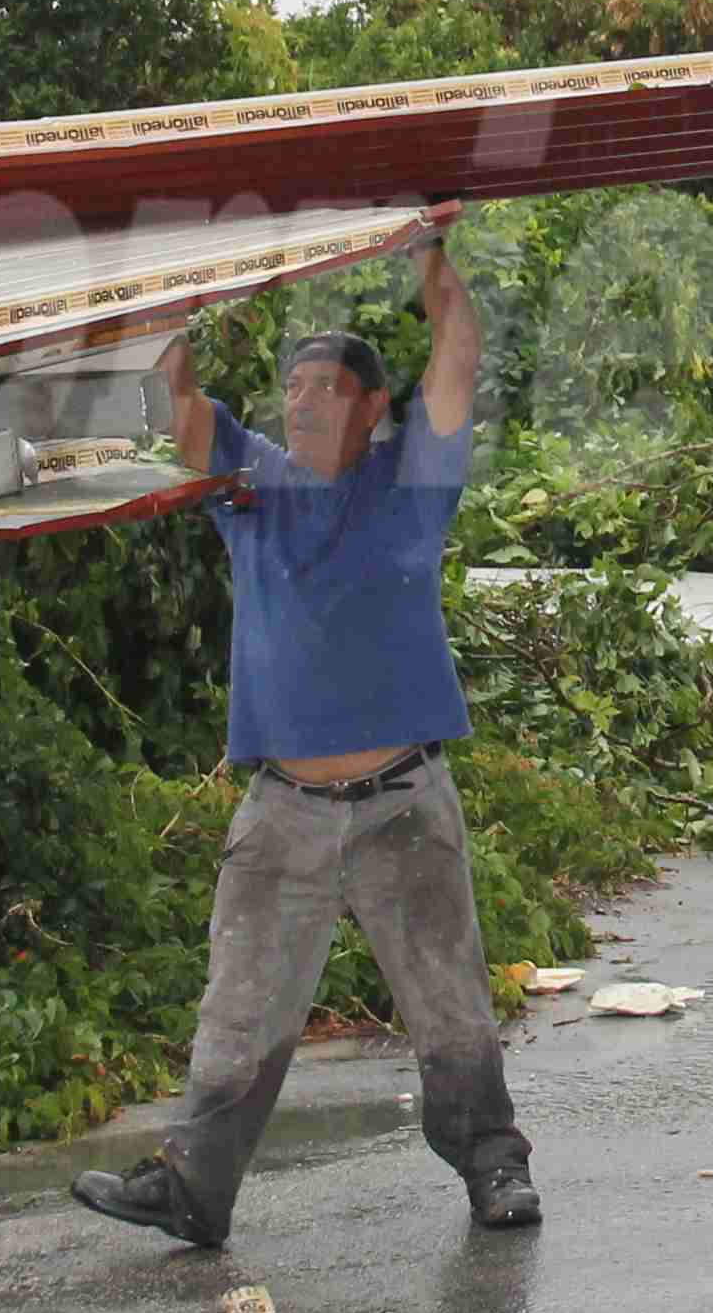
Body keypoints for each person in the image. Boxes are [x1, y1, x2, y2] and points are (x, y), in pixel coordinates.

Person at [72, 224, 538, 1246]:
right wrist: (174, 294)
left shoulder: (413, 476)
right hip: (282, 806)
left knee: (450, 1006)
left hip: (403, 801)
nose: (304, 400)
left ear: (375, 409)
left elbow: (458, 348)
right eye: (294, 386)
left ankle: (494, 1165)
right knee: (239, 1009)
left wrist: (427, 252)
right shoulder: (247, 482)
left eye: (329, 387)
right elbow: (180, 402)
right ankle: (193, 1186)